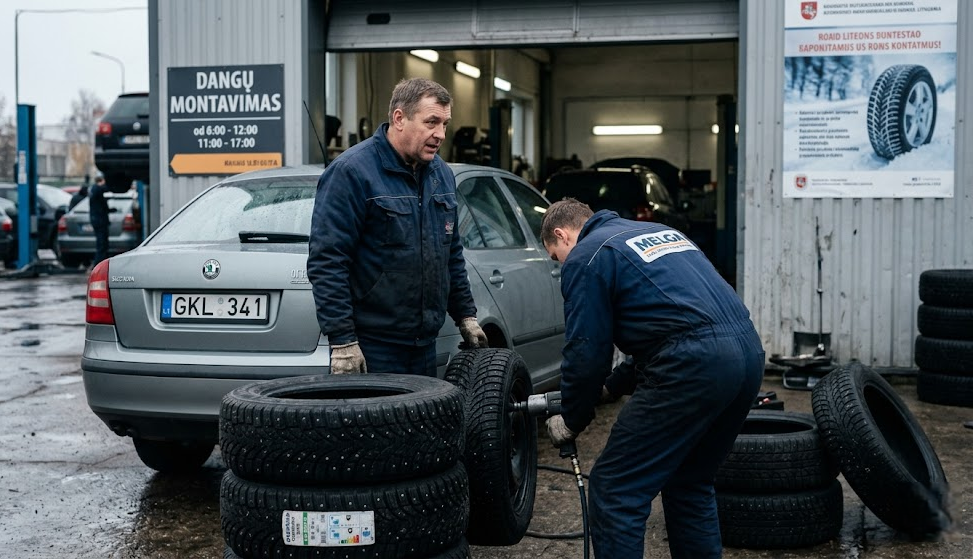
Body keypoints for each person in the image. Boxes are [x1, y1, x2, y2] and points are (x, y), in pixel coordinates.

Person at [540, 198, 764, 559]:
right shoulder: (659, 232)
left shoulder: (587, 256)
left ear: (561, 235)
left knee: (616, 489)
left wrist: (572, 417)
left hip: (692, 366)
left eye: (556, 257)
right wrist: (613, 385)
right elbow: (678, 325)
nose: (560, 265)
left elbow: (586, 352)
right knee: (690, 482)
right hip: (747, 354)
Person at [307, 77, 488, 377]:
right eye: (431, 122)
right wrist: (343, 341)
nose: (441, 134)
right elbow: (328, 261)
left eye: (444, 124)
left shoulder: (441, 175)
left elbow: (450, 254)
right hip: (371, 347)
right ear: (399, 118)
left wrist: (466, 316)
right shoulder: (352, 173)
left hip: (424, 345)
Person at [88, 172, 110, 268]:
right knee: (102, 244)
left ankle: (99, 264)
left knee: (102, 244)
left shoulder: (94, 190)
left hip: (98, 220)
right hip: (100, 221)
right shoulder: (96, 189)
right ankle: (98, 265)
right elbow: (104, 189)